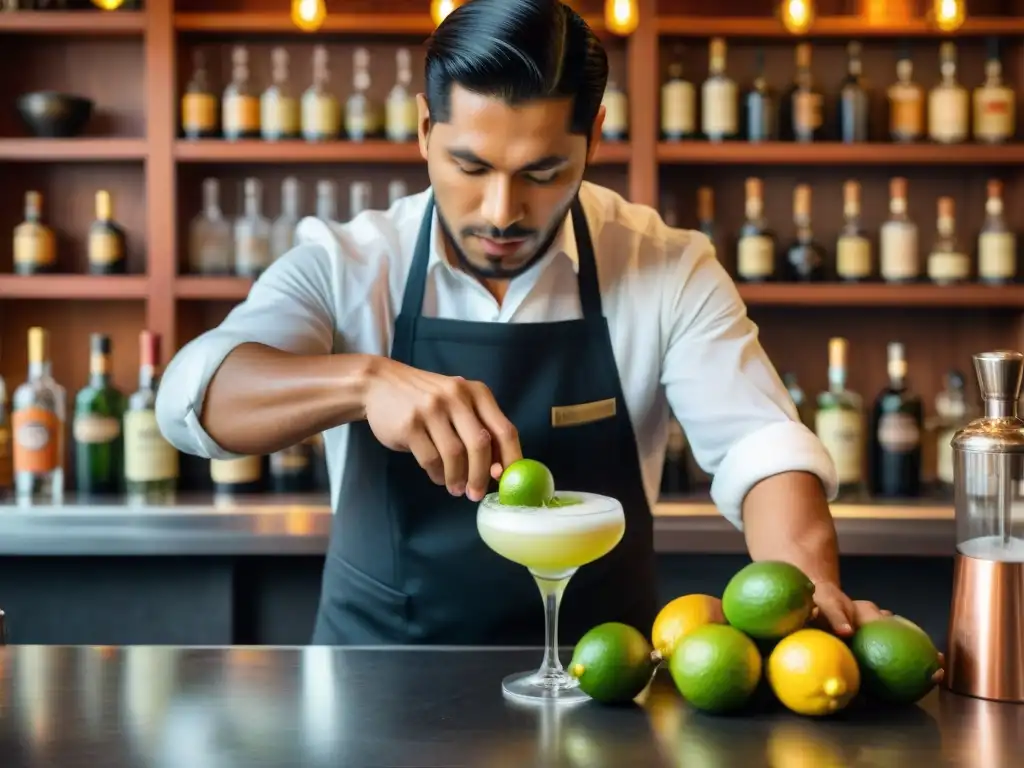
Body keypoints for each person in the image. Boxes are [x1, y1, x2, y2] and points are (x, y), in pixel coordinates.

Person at [155, 0, 886, 646]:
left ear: (595, 137)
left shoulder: (668, 266)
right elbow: (192, 399)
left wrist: (804, 592)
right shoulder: (350, 261)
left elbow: (762, 449)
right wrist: (365, 381)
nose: (502, 210)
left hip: (605, 684)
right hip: (374, 680)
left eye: (542, 173)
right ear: (422, 130)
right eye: (470, 167)